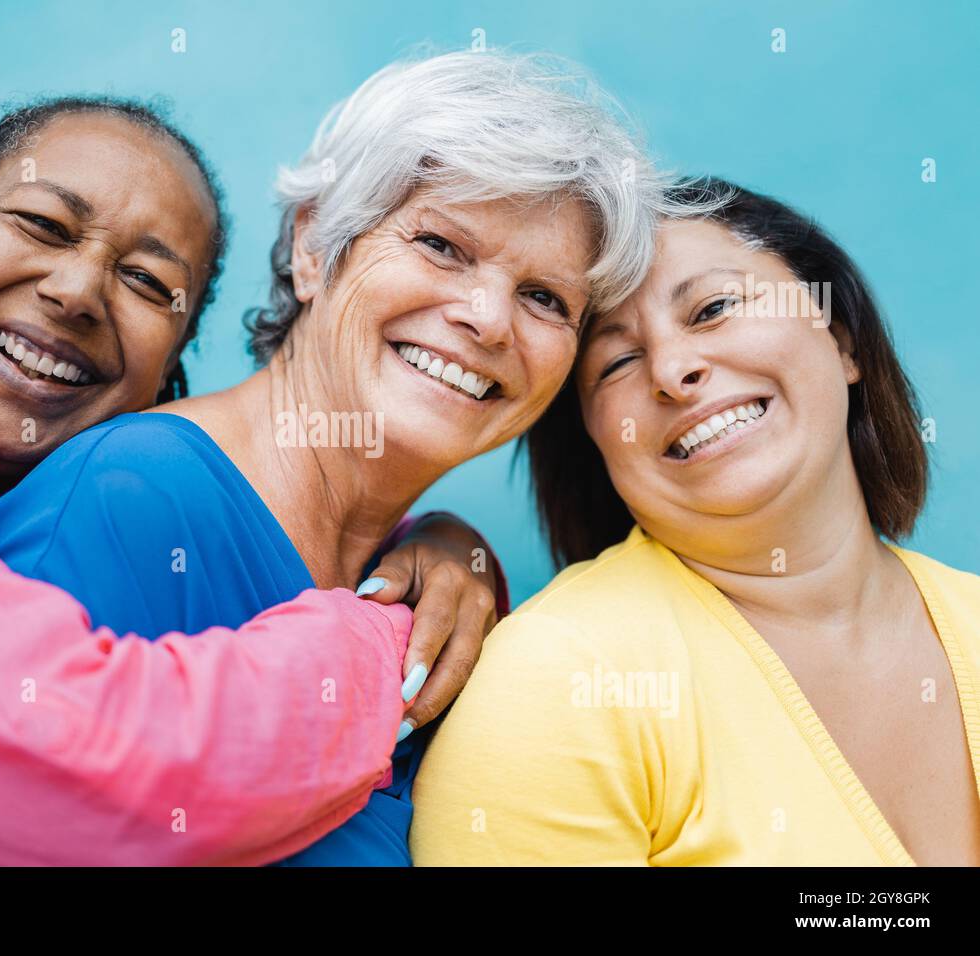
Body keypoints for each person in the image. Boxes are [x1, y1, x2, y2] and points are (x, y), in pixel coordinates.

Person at [0, 50, 677, 865]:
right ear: (316, 247)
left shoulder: (434, 580)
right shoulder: (132, 496)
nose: (489, 318)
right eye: (440, 245)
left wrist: (457, 548)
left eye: (545, 297)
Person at [0, 96, 500, 866]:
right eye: (42, 224)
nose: (75, 293)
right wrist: (386, 640)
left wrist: (433, 550)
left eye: (147, 283)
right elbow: (55, 755)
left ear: (170, 364)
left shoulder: (66, 506)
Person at [411, 178, 980, 866]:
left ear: (841, 339)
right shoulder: (559, 680)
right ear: (592, 437)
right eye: (616, 360)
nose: (674, 370)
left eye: (713, 308)